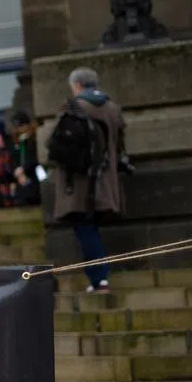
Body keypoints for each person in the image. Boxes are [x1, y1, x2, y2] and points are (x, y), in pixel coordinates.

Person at [51, 67, 127, 293]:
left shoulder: (74, 107)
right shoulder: (113, 108)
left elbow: (57, 146)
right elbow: (121, 144)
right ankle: (100, 277)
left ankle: (99, 279)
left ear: (77, 86)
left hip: (79, 182)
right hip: (106, 180)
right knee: (91, 226)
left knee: (85, 227)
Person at [9, 110, 42, 207]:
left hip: (35, 176)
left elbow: (37, 158)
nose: (19, 130)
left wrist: (24, 169)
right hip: (20, 180)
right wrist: (16, 171)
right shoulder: (15, 143)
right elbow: (13, 159)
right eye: (17, 127)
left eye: (21, 126)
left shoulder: (34, 139)